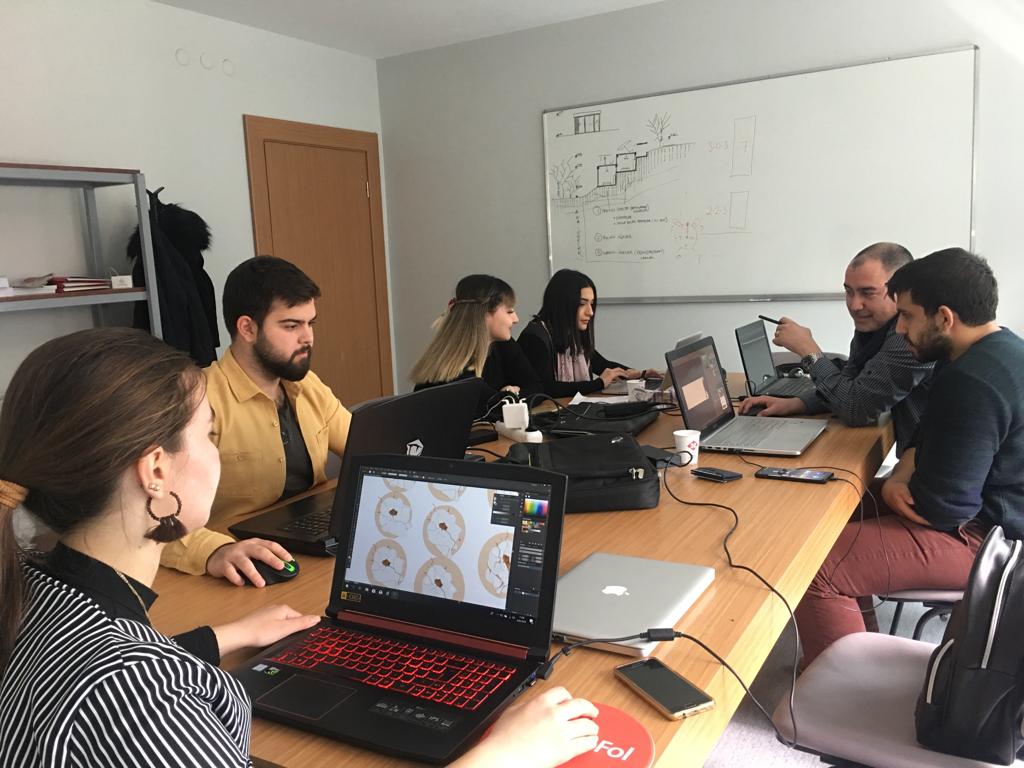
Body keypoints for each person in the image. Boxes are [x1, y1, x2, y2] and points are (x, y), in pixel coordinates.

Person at [0, 328, 600, 767]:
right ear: (155, 471)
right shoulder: (145, 702)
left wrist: (222, 637)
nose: (217, 452)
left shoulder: (32, 591)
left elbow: (115, 671)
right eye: (208, 435)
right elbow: (129, 692)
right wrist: (505, 755)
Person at [794, 248, 1024, 668]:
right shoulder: (988, 348)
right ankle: (860, 645)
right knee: (831, 505)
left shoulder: (973, 382)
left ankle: (847, 692)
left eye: (907, 317)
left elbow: (942, 509)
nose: (899, 329)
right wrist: (902, 473)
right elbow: (924, 429)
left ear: (944, 318)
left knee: (812, 564)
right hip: (983, 516)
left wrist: (897, 488)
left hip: (994, 540)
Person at [161, 255, 352, 586]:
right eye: (291, 326)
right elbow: (153, 514)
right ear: (247, 328)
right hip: (236, 566)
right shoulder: (196, 400)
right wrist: (214, 551)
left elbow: (366, 449)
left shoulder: (306, 386)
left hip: (308, 547)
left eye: (311, 324)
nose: (308, 338)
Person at [739, 243, 933, 455]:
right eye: (849, 292)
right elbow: (850, 384)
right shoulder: (873, 326)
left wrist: (809, 352)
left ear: (901, 293)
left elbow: (856, 408)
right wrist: (798, 404)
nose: (855, 305)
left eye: (868, 293)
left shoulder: (910, 337)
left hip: (926, 462)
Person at [410, 274, 542, 416]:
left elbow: (536, 387)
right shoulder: (455, 371)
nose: (516, 319)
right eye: (509, 311)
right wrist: (510, 396)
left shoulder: (503, 345)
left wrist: (511, 396)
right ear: (484, 314)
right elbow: (496, 407)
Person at [518, 269, 655, 398]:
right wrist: (599, 383)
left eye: (591, 304)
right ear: (562, 304)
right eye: (582, 304)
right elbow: (546, 389)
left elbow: (601, 365)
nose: (590, 312)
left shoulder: (570, 332)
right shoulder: (535, 338)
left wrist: (640, 374)